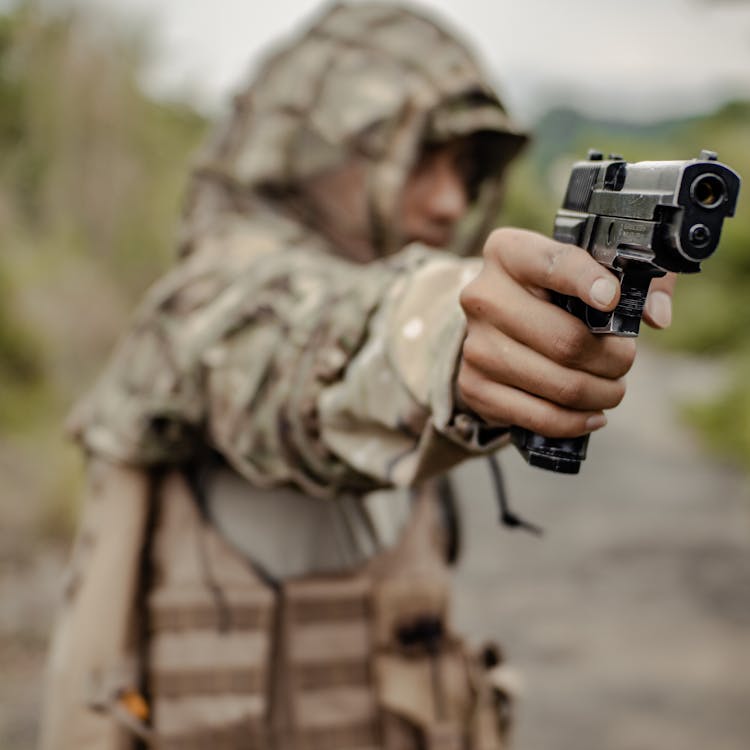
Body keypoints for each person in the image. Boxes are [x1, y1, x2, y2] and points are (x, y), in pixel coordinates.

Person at [39, 3, 675, 749]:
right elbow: (303, 339)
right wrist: (447, 337)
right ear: (313, 152)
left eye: (467, 171)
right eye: (417, 159)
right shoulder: (210, 303)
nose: (448, 201)